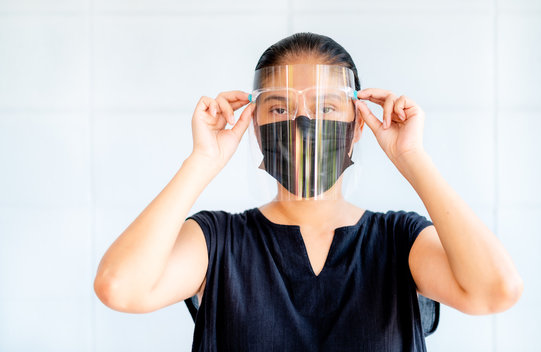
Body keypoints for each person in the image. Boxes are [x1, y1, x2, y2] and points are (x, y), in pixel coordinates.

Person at [94, 32, 524, 351]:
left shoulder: (400, 241)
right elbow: (120, 286)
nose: (304, 125)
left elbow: (496, 289)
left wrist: (412, 157)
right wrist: (201, 162)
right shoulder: (218, 242)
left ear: (356, 125)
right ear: (256, 128)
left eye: (326, 107)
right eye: (279, 108)